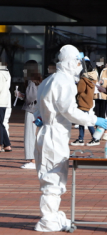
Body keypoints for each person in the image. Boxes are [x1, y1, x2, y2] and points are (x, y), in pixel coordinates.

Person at [33, 45, 107, 232]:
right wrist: (95, 119)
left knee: (50, 175)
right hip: (55, 135)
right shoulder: (63, 81)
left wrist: (41, 119)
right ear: (69, 62)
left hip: (45, 133)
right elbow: (69, 111)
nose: (78, 65)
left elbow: (37, 110)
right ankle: (47, 221)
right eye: (76, 61)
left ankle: (52, 214)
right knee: (53, 178)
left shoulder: (49, 80)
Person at [15, 60, 42, 169]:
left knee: (30, 135)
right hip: (39, 109)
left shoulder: (31, 81)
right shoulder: (39, 80)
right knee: (37, 135)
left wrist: (22, 95)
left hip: (31, 109)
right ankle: (37, 159)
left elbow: (31, 97)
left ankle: (32, 160)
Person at [71, 58, 99, 146]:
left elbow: (79, 90)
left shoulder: (83, 79)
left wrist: (76, 84)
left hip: (82, 101)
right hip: (88, 101)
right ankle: (81, 138)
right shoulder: (93, 77)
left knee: (85, 120)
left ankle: (95, 138)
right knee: (82, 120)